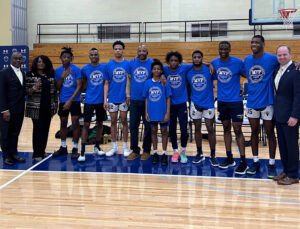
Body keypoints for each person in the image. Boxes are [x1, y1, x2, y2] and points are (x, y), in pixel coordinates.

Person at [244, 35, 278, 178]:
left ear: (263, 44)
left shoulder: (271, 58)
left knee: (270, 133)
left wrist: (296, 63)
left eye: (257, 42)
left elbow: (286, 63)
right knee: (253, 133)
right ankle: (256, 161)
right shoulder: (247, 60)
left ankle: (271, 164)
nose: (254, 44)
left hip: (267, 102)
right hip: (252, 102)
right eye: (252, 42)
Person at [211, 41, 247, 174]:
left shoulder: (238, 62)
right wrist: (208, 64)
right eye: (221, 48)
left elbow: (247, 74)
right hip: (222, 101)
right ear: (218, 49)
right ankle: (229, 157)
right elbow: (208, 69)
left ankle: (243, 161)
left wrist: (243, 87)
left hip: (236, 101)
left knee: (237, 130)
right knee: (226, 129)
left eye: (226, 48)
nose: (223, 50)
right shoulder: (215, 62)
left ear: (230, 49)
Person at [273, 45, 300, 185]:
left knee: (291, 146)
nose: (282, 57)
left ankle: (293, 174)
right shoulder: (277, 69)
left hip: (290, 116)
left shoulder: (296, 71)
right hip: (279, 115)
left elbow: (298, 95)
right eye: (279, 55)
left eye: (284, 54)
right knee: (283, 146)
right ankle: (286, 171)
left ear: (290, 55)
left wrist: (295, 115)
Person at [187, 51, 217, 166]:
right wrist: (207, 63)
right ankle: (199, 153)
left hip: (208, 103)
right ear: (192, 59)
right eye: (194, 57)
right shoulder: (188, 72)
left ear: (202, 58)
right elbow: (182, 64)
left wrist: (208, 64)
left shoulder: (209, 70)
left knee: (210, 128)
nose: (197, 59)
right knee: (197, 129)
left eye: (199, 57)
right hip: (195, 103)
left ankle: (213, 155)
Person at [25, 55, 57, 162]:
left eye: (43, 62)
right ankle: (36, 153)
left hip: (48, 107)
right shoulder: (30, 75)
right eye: (39, 62)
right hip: (35, 108)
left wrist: (55, 104)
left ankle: (42, 150)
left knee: (45, 130)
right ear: (35, 63)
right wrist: (34, 87)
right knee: (38, 130)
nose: (41, 63)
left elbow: (54, 92)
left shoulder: (50, 75)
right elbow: (26, 91)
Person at [78, 48, 107, 162]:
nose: (94, 56)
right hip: (89, 101)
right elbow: (83, 84)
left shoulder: (104, 67)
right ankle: (83, 151)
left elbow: (107, 82)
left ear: (99, 56)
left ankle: (97, 146)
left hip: (100, 101)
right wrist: (81, 95)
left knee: (100, 124)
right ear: (89, 57)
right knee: (86, 125)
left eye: (96, 54)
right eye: (92, 55)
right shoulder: (85, 69)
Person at [53, 47, 82, 159]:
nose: (66, 59)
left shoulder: (76, 69)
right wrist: (62, 77)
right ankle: (63, 147)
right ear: (60, 58)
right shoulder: (58, 71)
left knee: (75, 123)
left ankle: (75, 148)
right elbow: (58, 88)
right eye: (64, 57)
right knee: (63, 123)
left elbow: (79, 86)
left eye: (68, 57)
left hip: (74, 100)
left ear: (71, 58)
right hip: (63, 100)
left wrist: (70, 100)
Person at [164, 51, 192, 163]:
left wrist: (208, 64)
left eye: (176, 60)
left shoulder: (184, 68)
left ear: (179, 62)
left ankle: (183, 152)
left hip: (182, 104)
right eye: (171, 60)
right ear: (168, 62)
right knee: (172, 129)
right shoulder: (165, 70)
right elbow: (154, 67)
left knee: (184, 129)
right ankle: (175, 152)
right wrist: (161, 75)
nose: (173, 62)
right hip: (170, 105)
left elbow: (197, 63)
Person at [104, 40, 130, 157]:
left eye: (120, 48)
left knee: (124, 121)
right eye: (116, 49)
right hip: (113, 98)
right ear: (113, 50)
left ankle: (125, 147)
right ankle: (114, 147)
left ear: (123, 50)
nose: (118, 50)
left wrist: (128, 95)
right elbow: (106, 83)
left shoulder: (128, 64)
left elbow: (130, 81)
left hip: (124, 98)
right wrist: (105, 99)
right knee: (113, 122)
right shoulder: (108, 65)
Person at [126, 45, 153, 161]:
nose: (141, 52)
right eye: (139, 51)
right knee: (133, 126)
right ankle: (135, 150)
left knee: (148, 127)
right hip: (134, 100)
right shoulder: (132, 63)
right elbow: (128, 80)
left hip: (148, 101)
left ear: (147, 52)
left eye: (144, 51)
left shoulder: (152, 63)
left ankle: (146, 150)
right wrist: (128, 95)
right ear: (137, 52)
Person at [143, 59, 171, 166]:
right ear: (152, 70)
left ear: (161, 71)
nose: (156, 70)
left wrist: (167, 113)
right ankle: (155, 152)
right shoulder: (148, 83)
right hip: (152, 112)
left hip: (162, 112)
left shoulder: (164, 82)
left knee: (164, 133)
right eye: (154, 69)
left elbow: (168, 98)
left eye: (158, 69)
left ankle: (164, 153)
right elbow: (146, 98)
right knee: (153, 132)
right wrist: (146, 112)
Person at [0, 52, 26, 166]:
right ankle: (6, 156)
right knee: (5, 134)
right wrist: (4, 110)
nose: (18, 61)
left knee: (15, 133)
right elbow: (1, 93)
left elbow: (22, 91)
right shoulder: (4, 73)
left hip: (19, 110)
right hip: (7, 111)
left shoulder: (23, 73)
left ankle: (14, 154)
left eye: (20, 59)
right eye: (16, 58)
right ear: (11, 59)